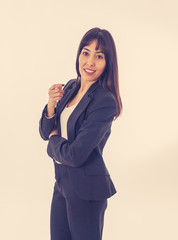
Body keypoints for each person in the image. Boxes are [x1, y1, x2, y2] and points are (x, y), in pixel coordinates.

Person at [39, 27, 122, 240]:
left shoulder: (105, 101)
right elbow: (44, 131)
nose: (90, 62)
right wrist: (51, 105)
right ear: (78, 54)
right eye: (86, 53)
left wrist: (54, 140)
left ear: (108, 63)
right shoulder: (70, 87)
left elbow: (76, 154)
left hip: (87, 191)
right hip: (62, 185)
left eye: (99, 56)